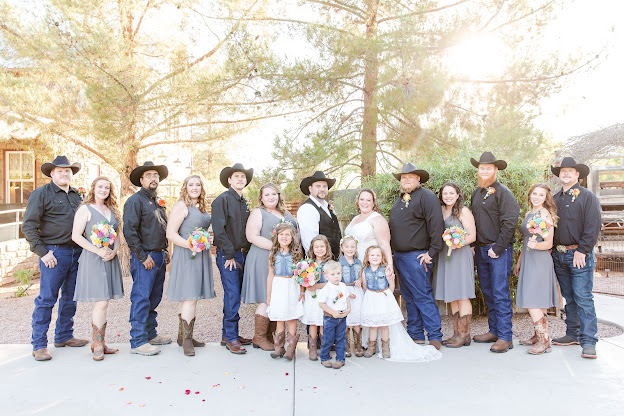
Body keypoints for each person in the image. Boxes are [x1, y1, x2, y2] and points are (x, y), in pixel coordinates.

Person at [22, 156, 88, 361]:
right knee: (47, 299)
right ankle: (39, 344)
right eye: (60, 171)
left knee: (70, 297)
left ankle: (64, 336)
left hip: (77, 253)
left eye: (67, 171)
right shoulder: (41, 194)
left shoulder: (78, 196)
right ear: (52, 173)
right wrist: (43, 253)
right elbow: (28, 226)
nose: (64, 173)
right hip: (54, 254)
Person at [388, 163, 444, 350]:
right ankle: (416, 334)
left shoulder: (427, 197)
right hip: (401, 257)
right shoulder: (401, 199)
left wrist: (432, 253)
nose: (406, 180)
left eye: (410, 177)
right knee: (409, 297)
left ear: (418, 179)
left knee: (422, 296)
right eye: (404, 177)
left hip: (418, 257)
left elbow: (436, 226)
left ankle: (435, 336)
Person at [550, 157, 602, 359]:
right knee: (569, 297)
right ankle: (572, 334)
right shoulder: (555, 199)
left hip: (578, 254)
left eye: (570, 171)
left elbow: (593, 225)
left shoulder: (588, 197)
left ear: (577, 174)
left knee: (583, 297)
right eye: (563, 171)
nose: (566, 174)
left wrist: (583, 249)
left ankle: (589, 341)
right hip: (559, 254)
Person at [469, 152, 520, 353]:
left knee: (500, 292)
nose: (484, 171)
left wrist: (497, 248)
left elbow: (510, 222)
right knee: (488, 292)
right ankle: (494, 330)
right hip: (481, 250)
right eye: (482, 168)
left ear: (495, 170)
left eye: (488, 168)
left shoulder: (503, 193)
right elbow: (474, 221)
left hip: (498, 250)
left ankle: (506, 336)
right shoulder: (477, 193)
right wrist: (474, 245)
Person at [359, 246, 442, 363]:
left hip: (383, 298)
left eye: (378, 255)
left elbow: (391, 287)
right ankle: (371, 347)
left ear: (382, 257)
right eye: (372, 255)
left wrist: (385, 292)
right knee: (373, 325)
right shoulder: (365, 270)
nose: (375, 257)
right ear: (367, 258)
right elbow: (365, 286)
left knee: (384, 324)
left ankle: (385, 347)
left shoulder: (386, 269)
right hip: (372, 298)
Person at [72, 176, 124, 361]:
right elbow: (76, 236)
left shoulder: (112, 210)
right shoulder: (85, 209)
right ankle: (98, 344)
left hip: (109, 258)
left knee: (105, 301)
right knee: (101, 301)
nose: (103, 190)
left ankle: (99, 343)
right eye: (100, 187)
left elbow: (117, 235)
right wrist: (97, 250)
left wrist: (114, 250)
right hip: (93, 259)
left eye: (107, 188)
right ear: (93, 188)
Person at [123, 161, 171, 356]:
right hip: (145, 257)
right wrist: (142, 257)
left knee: (154, 297)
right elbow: (130, 231)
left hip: (159, 255)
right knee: (141, 298)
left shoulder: (157, 201)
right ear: (141, 180)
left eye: (155, 175)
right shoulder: (135, 201)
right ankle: (138, 340)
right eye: (149, 175)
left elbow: (159, 228)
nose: (153, 178)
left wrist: (165, 251)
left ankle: (150, 333)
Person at [243, 183, 297, 351]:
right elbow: (252, 236)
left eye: (274, 194)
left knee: (277, 297)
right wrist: (277, 248)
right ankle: (258, 337)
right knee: (265, 296)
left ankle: (269, 335)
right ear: (261, 198)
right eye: (267, 195)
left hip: (283, 260)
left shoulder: (286, 214)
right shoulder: (258, 212)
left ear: (279, 195)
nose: (271, 197)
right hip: (262, 257)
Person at [166, 175, 215, 356]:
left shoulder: (200, 207)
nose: (195, 188)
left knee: (191, 297)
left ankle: (183, 336)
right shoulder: (181, 206)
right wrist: (191, 245)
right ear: (185, 187)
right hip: (187, 255)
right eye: (191, 185)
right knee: (190, 297)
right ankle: (187, 340)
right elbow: (170, 233)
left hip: (199, 255)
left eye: (198, 185)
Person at [211, 163, 254, 354]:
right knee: (232, 294)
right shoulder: (222, 200)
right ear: (229, 180)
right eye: (236, 176)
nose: (240, 179)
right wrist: (229, 254)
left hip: (244, 253)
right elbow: (219, 231)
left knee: (236, 294)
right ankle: (231, 338)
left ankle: (227, 334)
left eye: (243, 177)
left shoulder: (243, 202)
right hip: (229, 255)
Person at [514, 183, 559, 355]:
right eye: (534, 194)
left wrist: (536, 245)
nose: (537, 197)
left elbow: (548, 243)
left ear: (545, 198)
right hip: (528, 258)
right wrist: (520, 260)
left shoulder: (544, 214)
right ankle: (537, 335)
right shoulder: (529, 213)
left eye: (541, 195)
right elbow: (527, 240)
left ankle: (544, 340)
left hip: (539, 260)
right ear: (530, 195)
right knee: (537, 300)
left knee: (533, 299)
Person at [433, 183, 476, 348]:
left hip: (460, 254)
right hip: (445, 255)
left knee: (462, 293)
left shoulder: (463, 211)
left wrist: (457, 242)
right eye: (445, 193)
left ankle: (465, 335)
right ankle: (456, 333)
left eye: (451, 193)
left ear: (458, 195)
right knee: (451, 293)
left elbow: (472, 235)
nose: (448, 196)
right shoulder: (442, 211)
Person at [266, 222, 304, 360]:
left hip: (291, 286)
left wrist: (302, 291)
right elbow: (270, 275)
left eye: (287, 234)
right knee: (279, 318)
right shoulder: (273, 254)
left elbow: (301, 276)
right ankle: (279, 347)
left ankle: (290, 349)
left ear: (292, 237)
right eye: (281, 234)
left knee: (291, 317)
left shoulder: (296, 254)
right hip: (278, 286)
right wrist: (268, 295)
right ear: (277, 236)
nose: (284, 237)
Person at [297, 171, 342, 259]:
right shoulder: (307, 209)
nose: (322, 189)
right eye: (318, 186)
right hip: (320, 263)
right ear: (310, 189)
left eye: (324, 186)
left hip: (334, 263)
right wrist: (317, 264)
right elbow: (309, 242)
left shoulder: (327, 206)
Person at [301, 235, 331, 360]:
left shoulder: (330, 264)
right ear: (312, 249)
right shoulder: (308, 264)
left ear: (327, 248)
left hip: (325, 296)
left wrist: (317, 286)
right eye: (316, 247)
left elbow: (333, 282)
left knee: (323, 322)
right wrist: (302, 292)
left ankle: (324, 349)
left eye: (322, 247)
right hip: (311, 297)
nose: (319, 249)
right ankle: (312, 349)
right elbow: (301, 280)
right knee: (313, 321)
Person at [318, 260, 351, 369]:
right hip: (330, 317)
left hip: (342, 317)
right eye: (333, 274)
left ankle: (340, 359)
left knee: (341, 338)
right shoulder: (326, 289)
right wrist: (333, 312)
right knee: (328, 338)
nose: (336, 277)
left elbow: (347, 298)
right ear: (326, 276)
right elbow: (321, 304)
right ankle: (324, 357)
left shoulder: (342, 286)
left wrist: (348, 309)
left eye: (338, 273)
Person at [338, 236, 363, 357]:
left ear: (356, 248)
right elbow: (337, 281)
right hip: (345, 291)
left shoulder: (359, 262)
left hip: (357, 291)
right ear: (342, 248)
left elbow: (360, 276)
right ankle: (346, 345)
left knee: (357, 319)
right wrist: (346, 293)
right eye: (347, 247)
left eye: (352, 247)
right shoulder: (339, 263)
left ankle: (358, 344)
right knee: (346, 320)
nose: (350, 249)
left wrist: (359, 280)